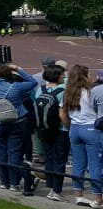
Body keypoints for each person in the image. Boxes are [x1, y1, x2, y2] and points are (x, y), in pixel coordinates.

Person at [0, 63, 37, 194]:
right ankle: (14, 183)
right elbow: (32, 82)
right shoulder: (15, 87)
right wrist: (18, 69)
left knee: (1, 154)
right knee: (14, 153)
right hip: (16, 122)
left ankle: (4, 182)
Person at [62, 65, 103, 208]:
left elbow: (63, 114)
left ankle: (78, 195)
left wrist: (70, 127)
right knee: (95, 164)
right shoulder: (91, 92)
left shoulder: (68, 92)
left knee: (78, 163)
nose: (91, 77)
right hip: (91, 128)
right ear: (84, 77)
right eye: (89, 74)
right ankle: (98, 198)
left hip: (75, 128)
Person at [34, 64, 69, 201]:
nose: (64, 76)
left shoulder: (40, 89)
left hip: (43, 128)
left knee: (49, 157)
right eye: (62, 74)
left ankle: (50, 187)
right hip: (60, 129)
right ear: (57, 76)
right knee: (60, 160)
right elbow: (63, 113)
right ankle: (56, 190)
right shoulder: (63, 91)